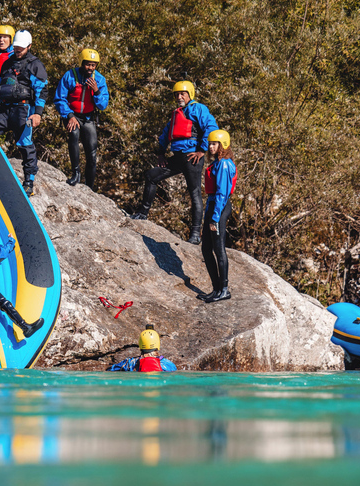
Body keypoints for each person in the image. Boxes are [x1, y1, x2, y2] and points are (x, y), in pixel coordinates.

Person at [130, 81, 219, 245]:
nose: (179, 97)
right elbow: (165, 134)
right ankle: (142, 213)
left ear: (189, 94)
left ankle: (195, 234)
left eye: (182, 94)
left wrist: (202, 150)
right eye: (176, 94)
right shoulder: (176, 113)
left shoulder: (198, 109)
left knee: (194, 193)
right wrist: (160, 153)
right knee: (151, 176)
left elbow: (211, 128)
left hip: (192, 158)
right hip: (177, 158)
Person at [0, 30, 48, 197]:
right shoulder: (7, 63)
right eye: (16, 46)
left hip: (24, 110)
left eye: (21, 47)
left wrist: (38, 114)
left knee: (25, 143)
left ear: (29, 46)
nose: (18, 50)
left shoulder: (35, 65)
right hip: (4, 109)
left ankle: (29, 182)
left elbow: (42, 91)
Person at [53, 48, 110, 189]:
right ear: (82, 63)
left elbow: (103, 105)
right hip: (72, 115)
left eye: (93, 65)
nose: (90, 68)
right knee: (74, 134)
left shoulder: (99, 80)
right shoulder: (70, 76)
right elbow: (59, 99)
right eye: (88, 64)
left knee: (92, 153)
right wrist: (69, 116)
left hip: (88, 118)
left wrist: (96, 91)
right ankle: (76, 173)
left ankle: (89, 186)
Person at [197, 129, 237, 303]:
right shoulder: (217, 163)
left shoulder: (225, 164)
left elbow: (222, 193)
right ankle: (216, 289)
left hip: (219, 208)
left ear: (223, 145)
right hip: (213, 206)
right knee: (206, 248)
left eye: (215, 144)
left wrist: (214, 217)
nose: (211, 147)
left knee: (219, 249)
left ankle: (224, 290)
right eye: (210, 144)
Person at [108, 325, 177, 372]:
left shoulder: (130, 363)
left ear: (140, 344)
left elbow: (111, 369)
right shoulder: (169, 364)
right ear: (157, 344)